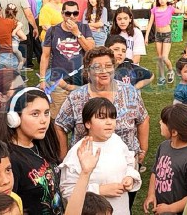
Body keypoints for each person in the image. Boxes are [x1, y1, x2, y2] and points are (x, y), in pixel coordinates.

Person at [54, 47, 149, 209]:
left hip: (126, 165)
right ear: (87, 71)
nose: (104, 71)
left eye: (108, 66)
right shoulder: (76, 98)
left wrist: (143, 150)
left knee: (123, 203)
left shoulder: (129, 92)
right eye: (97, 67)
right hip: (89, 169)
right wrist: (64, 155)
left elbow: (143, 118)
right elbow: (60, 125)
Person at [59, 98, 142, 215]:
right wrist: (99, 190)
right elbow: (68, 192)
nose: (109, 122)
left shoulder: (116, 140)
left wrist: (130, 177)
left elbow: (129, 162)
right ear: (88, 123)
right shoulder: (79, 152)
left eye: (112, 117)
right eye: (102, 118)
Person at [4, 87, 64, 214]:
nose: (43, 120)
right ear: (14, 118)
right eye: (35, 114)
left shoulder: (42, 146)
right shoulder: (10, 159)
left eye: (46, 113)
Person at [143, 104, 187, 215]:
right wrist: (151, 194)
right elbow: (155, 172)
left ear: (174, 132)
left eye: (163, 121)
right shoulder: (164, 146)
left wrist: (170, 208)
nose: (159, 123)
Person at [39, 0, 94, 116]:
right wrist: (42, 80)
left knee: (82, 118)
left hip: (80, 81)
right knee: (56, 118)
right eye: (68, 13)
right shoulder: (52, 31)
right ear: (62, 14)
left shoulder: (84, 28)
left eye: (75, 13)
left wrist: (77, 33)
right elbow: (45, 56)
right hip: (58, 81)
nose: (72, 16)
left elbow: (91, 50)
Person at [0, 0, 39, 70]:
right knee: (23, 50)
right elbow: (29, 14)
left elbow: (1, 15)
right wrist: (35, 27)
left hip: (8, 30)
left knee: (12, 51)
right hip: (22, 31)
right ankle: (24, 66)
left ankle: (14, 67)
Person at [145, 0, 183, 85]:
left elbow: (181, 11)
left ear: (167, 0)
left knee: (165, 57)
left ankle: (171, 71)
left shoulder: (170, 9)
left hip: (166, 34)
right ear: (158, 0)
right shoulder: (155, 9)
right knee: (160, 58)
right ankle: (161, 77)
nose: (162, 0)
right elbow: (150, 23)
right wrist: (146, 37)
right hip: (158, 35)